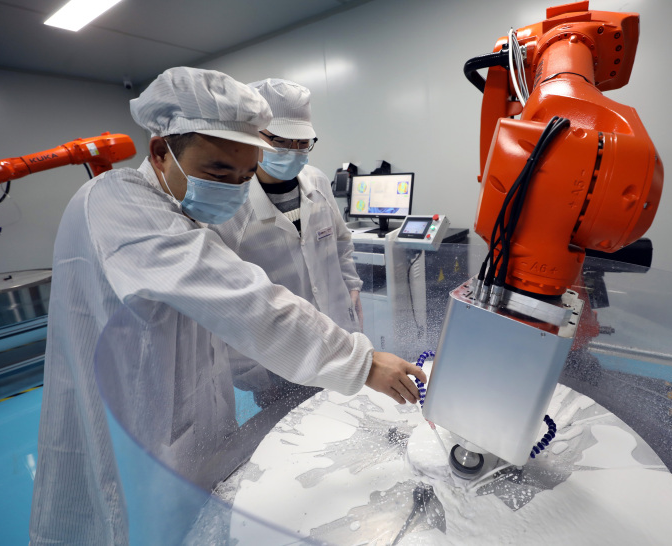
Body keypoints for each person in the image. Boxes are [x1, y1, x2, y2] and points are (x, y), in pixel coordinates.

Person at [29, 67, 426, 545]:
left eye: (244, 176)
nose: (234, 189)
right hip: (134, 417)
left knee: (201, 520)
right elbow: (243, 296)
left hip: (200, 408)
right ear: (160, 152)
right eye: (218, 172)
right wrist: (361, 362)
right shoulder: (116, 201)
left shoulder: (188, 208)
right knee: (131, 525)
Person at [214, 78, 363, 333]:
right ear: (251, 135)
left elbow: (340, 241)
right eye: (280, 141)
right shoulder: (228, 206)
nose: (293, 151)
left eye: (303, 143)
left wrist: (352, 287)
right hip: (281, 337)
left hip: (338, 322)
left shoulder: (317, 181)